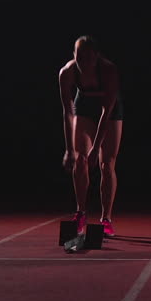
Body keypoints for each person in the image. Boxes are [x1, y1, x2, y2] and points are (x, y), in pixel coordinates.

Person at [58, 36, 124, 237]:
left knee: (106, 164)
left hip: (109, 112)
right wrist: (68, 149)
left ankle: (106, 218)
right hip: (84, 106)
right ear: (73, 56)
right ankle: (80, 212)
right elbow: (68, 112)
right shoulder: (67, 73)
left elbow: (107, 110)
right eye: (79, 58)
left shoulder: (108, 70)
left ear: (96, 57)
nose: (84, 63)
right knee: (80, 160)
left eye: (88, 58)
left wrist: (96, 147)